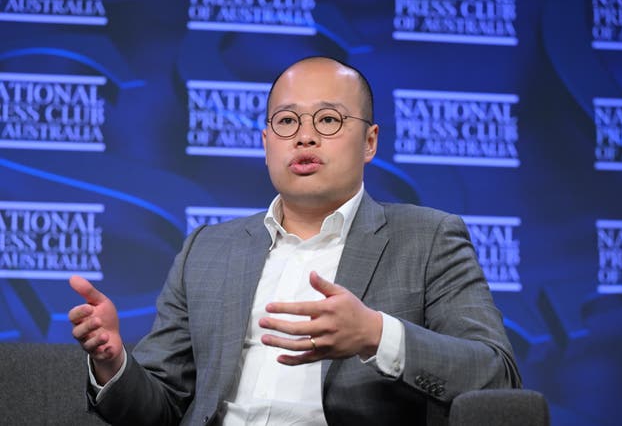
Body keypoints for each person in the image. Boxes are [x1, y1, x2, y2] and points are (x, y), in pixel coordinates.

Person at [68, 56, 521, 425]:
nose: (305, 136)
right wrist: (114, 362)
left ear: (369, 141)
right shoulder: (207, 249)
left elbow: (496, 377)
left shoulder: (428, 239)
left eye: (328, 119)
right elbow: (160, 408)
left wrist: (375, 336)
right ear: (266, 142)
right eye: (287, 121)